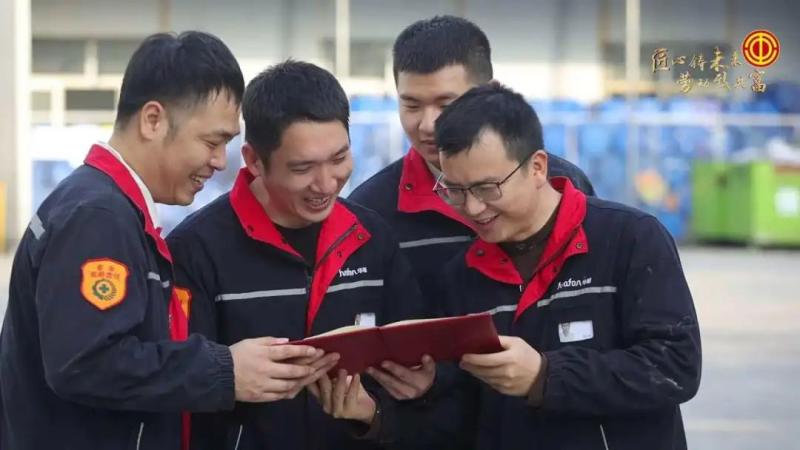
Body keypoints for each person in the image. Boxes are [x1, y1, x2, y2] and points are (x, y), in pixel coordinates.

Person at [0, 32, 333, 450]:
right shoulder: (98, 217)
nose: (219, 161)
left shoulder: (106, 207)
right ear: (153, 120)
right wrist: (225, 370)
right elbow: (85, 363)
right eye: (212, 142)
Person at [394, 83, 701, 450]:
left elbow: (676, 366)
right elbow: (465, 413)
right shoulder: (462, 276)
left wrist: (546, 375)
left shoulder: (630, 239)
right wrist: (427, 388)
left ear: (537, 167)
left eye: (487, 188)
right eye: (455, 191)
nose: (473, 208)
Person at [167, 60, 431, 450]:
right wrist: (232, 377)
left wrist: (379, 413)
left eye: (339, 159)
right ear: (254, 160)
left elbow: (416, 394)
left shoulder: (372, 239)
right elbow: (177, 392)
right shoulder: (197, 250)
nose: (326, 184)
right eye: (303, 167)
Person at [348, 15, 595, 313]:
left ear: (489, 92)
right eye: (411, 105)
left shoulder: (564, 183)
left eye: (446, 104)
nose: (428, 125)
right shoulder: (370, 211)